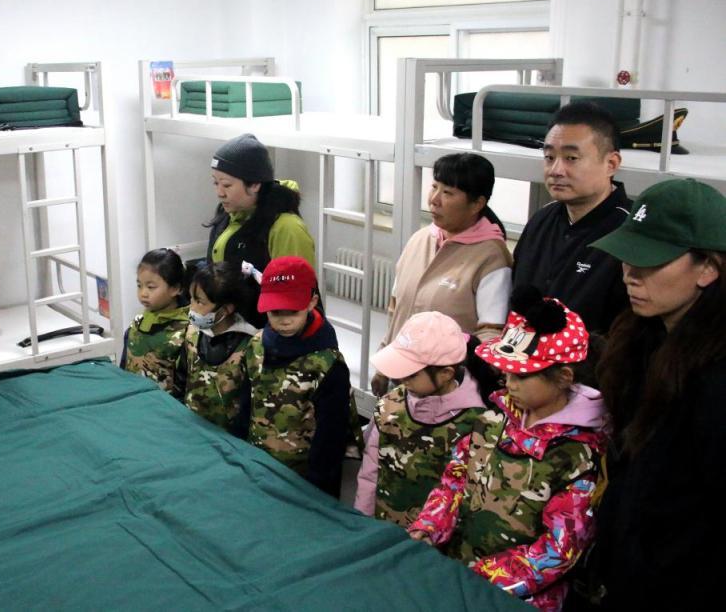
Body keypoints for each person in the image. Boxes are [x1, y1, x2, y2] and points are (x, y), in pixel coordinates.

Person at [409, 287, 608, 611]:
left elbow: (559, 550)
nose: (507, 381)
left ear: (563, 377)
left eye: (520, 374)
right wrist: (429, 528)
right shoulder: (492, 422)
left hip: (515, 599)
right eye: (506, 371)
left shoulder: (579, 456)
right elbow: (454, 481)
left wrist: (481, 577)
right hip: (456, 578)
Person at [585, 178, 725, 609]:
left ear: (708, 268)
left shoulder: (715, 379)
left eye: (651, 260)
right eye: (628, 256)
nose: (630, 273)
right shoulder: (643, 337)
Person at [372, 152, 511, 395]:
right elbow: (397, 311)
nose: (434, 200)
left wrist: (449, 381)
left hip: (448, 389)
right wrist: (385, 365)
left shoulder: (491, 257)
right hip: (405, 377)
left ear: (477, 204)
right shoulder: (420, 239)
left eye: (448, 192)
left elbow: (490, 336)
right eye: (434, 187)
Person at [353, 311, 492, 528]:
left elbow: (472, 498)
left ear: (446, 373)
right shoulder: (390, 404)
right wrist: (361, 521)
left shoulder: (479, 423)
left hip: (434, 538)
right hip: (382, 528)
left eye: (411, 374)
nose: (401, 379)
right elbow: (370, 470)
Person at [512, 102, 632, 333]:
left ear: (611, 164)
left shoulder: (629, 234)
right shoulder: (541, 221)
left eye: (571, 158)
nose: (556, 170)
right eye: (549, 157)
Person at [243, 256, 352, 497]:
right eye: (275, 312)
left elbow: (331, 437)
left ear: (312, 302)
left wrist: (317, 488)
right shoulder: (256, 346)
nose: (284, 320)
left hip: (304, 481)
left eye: (293, 311)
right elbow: (245, 405)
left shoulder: (328, 364)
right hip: (258, 468)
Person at [205, 133, 315, 327]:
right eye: (215, 183)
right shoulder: (229, 212)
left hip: (263, 334)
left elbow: (295, 299)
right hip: (231, 329)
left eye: (227, 185)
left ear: (255, 184)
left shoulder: (286, 228)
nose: (219, 192)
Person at [173, 261, 259, 438]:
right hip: (191, 430)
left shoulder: (249, 345)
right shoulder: (192, 334)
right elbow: (180, 381)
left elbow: (251, 406)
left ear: (226, 309)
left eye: (200, 302)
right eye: (191, 299)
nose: (191, 308)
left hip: (229, 439)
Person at [120, 248, 188, 395]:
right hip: (133, 400)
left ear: (175, 289)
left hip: (164, 406)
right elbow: (124, 370)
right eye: (139, 285)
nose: (143, 293)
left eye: (151, 287)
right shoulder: (137, 324)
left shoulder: (186, 332)